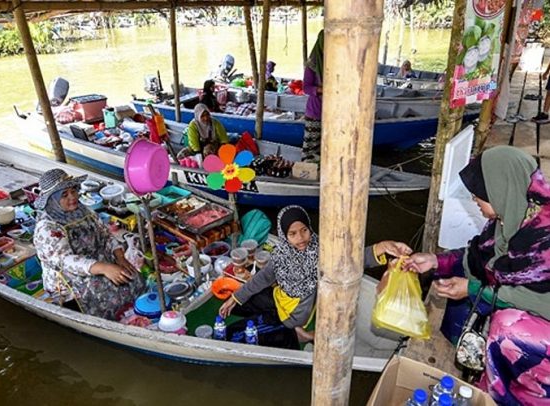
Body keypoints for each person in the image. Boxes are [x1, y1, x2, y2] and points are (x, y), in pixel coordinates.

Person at [405, 146, 550, 404]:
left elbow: (537, 301)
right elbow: (478, 257)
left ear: (500, 190)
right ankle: (478, 365)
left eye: (479, 195)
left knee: (507, 327)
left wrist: (472, 289)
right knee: (463, 296)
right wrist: (435, 261)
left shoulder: (543, 239)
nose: (474, 201)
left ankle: (515, 397)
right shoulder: (512, 216)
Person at [218, 205, 411, 349]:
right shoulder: (281, 253)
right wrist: (235, 298)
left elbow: (353, 259)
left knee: (234, 334)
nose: (300, 238)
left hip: (294, 315)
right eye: (292, 233)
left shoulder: (321, 252)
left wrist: (383, 246)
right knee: (241, 305)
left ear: (310, 228)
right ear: (284, 235)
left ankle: (304, 335)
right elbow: (263, 279)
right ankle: (287, 329)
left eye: (304, 230)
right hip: (280, 299)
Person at [33, 169, 145, 320]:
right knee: (105, 295)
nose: (72, 197)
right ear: (52, 200)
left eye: (73, 191)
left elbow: (105, 234)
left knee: (131, 276)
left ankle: (134, 315)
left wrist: (120, 257)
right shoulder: (47, 227)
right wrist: (104, 268)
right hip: (69, 279)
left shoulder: (82, 210)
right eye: (64, 195)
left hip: (98, 263)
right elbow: (64, 260)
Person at [302, 30, 324, 164]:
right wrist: (321, 89)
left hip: (333, 113)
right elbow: (306, 87)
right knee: (311, 149)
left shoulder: (338, 63)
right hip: (316, 111)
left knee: (328, 146)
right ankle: (308, 173)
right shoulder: (312, 65)